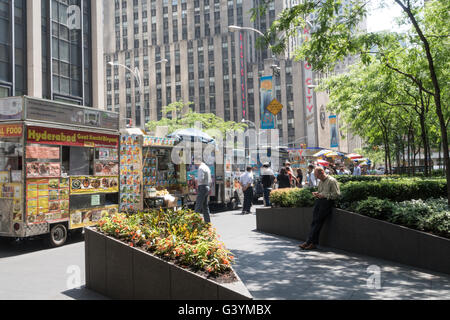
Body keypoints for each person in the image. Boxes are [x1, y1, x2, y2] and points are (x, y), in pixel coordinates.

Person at [299, 167, 341, 250]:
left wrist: (324, 195)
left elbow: (337, 194)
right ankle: (312, 243)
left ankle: (309, 242)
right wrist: (317, 194)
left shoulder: (332, 181)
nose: (316, 177)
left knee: (317, 222)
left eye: (317, 175)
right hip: (319, 201)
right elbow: (322, 192)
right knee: (314, 222)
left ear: (322, 173)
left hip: (327, 203)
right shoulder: (321, 181)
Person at [194, 159, 212, 224]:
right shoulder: (207, 167)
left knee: (198, 205)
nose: (195, 164)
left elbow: (201, 179)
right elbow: (210, 180)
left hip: (202, 187)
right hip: (207, 187)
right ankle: (207, 222)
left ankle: (194, 222)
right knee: (205, 206)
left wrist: (195, 178)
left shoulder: (201, 168)